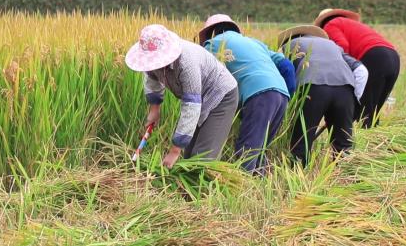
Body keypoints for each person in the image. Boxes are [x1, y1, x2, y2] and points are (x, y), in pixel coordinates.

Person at [125, 24, 239, 168]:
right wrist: (154, 109)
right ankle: (188, 187)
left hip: (221, 95)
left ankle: (205, 187)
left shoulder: (186, 62)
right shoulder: (151, 63)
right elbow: (152, 80)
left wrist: (174, 150)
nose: (153, 65)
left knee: (202, 158)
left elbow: (191, 106)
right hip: (199, 98)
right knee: (189, 155)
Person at [198, 14, 296, 174]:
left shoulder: (212, 45)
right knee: (259, 148)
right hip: (281, 94)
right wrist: (287, 92)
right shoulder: (255, 42)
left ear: (211, 33)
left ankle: (243, 191)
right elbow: (287, 66)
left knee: (247, 150)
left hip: (258, 94)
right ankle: (260, 189)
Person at [278, 25, 368, 166]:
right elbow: (361, 70)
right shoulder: (332, 45)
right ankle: (347, 178)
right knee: (343, 143)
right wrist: (353, 102)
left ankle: (298, 177)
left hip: (313, 88)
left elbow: (286, 73)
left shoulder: (289, 45)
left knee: (302, 139)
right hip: (345, 89)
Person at [314, 9, 400, 128]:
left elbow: (342, 46)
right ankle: (375, 141)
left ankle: (364, 143)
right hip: (393, 57)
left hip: (374, 57)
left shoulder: (331, 24)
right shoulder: (351, 25)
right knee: (374, 111)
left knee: (365, 111)